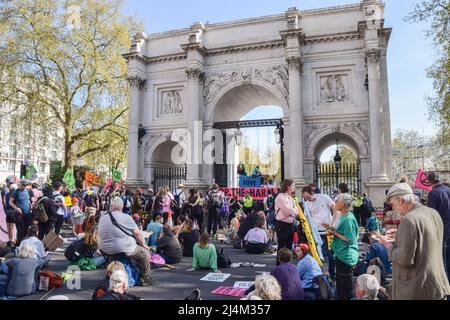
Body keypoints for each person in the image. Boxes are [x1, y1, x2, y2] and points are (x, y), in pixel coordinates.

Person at [374, 183, 450, 300]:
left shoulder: (409, 219)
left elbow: (404, 259)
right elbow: (426, 240)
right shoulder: (432, 213)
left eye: (392, 205)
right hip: (435, 285)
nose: (393, 209)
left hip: (416, 290)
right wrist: (399, 235)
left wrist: (388, 246)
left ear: (400, 200)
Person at [98, 197, 153, 285]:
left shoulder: (103, 218)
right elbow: (138, 234)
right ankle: (145, 277)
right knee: (145, 254)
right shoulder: (126, 217)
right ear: (122, 207)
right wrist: (144, 244)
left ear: (111, 206)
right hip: (123, 248)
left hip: (105, 249)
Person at [301, 185, 338, 280]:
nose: (305, 198)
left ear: (311, 192)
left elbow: (335, 209)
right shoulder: (307, 204)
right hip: (316, 232)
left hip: (328, 231)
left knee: (331, 255)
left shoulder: (324, 197)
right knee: (316, 255)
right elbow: (306, 219)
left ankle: (332, 276)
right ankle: (318, 276)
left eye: (306, 195)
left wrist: (332, 224)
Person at [326, 193, 359, 300]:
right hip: (341, 254)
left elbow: (350, 239)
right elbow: (343, 232)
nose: (334, 202)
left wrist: (335, 233)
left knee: (346, 289)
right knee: (340, 287)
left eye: (337, 201)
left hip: (346, 256)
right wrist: (333, 229)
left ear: (343, 204)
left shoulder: (348, 219)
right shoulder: (343, 216)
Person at [427, 172, 450, 281]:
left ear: (429, 182)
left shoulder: (433, 193)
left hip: (442, 232)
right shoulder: (448, 190)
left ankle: (446, 291)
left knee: (443, 261)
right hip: (447, 230)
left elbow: (431, 216)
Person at [274, 179, 298, 265]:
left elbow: (296, 209)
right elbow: (289, 211)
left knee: (289, 247)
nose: (294, 188)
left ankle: (287, 266)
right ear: (288, 186)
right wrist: (294, 211)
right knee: (282, 248)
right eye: (293, 186)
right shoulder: (280, 197)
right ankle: (279, 267)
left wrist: (294, 211)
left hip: (290, 224)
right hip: (282, 224)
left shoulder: (291, 197)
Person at [9, 179, 33, 245]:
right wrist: (16, 208)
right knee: (20, 231)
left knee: (27, 230)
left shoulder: (28, 191)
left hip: (27, 214)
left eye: (25, 185)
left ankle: (25, 245)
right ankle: (19, 245)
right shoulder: (15, 192)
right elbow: (10, 202)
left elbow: (28, 200)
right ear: (20, 184)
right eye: (23, 185)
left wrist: (30, 206)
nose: (24, 186)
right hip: (19, 215)